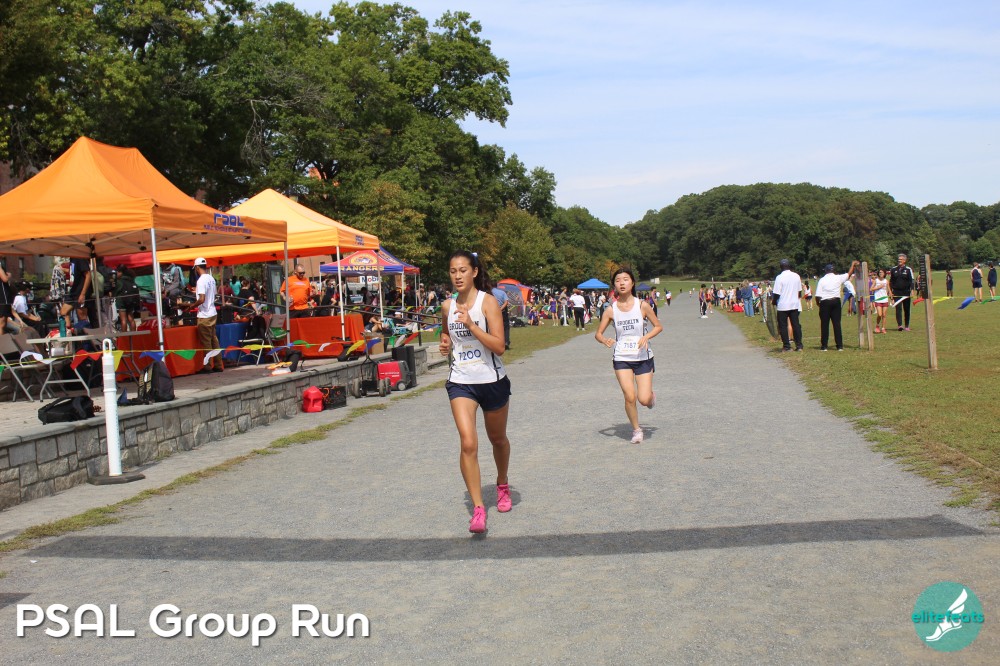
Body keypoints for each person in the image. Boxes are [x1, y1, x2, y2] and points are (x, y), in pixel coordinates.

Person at [438, 251, 512, 534]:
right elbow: (446, 333)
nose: (457, 276)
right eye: (453, 271)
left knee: (498, 439)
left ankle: (502, 483)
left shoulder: (488, 302)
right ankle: (478, 508)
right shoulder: (447, 306)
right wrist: (445, 343)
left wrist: (470, 324)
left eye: (463, 270)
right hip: (461, 381)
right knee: (468, 443)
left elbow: (499, 346)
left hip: (492, 379)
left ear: (474, 272)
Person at [595, 266, 663, 444]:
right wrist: (604, 340)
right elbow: (598, 334)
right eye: (618, 281)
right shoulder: (611, 310)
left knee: (643, 399)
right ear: (614, 286)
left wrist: (646, 337)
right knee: (629, 396)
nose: (622, 283)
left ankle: (650, 398)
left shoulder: (642, 305)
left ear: (632, 283)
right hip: (622, 358)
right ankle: (636, 430)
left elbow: (658, 326)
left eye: (625, 279)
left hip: (642, 357)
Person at [815, 261, 859, 351]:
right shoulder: (838, 278)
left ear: (825, 271)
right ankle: (839, 346)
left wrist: (818, 303)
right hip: (836, 302)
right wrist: (852, 265)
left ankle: (824, 346)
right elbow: (849, 274)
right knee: (837, 324)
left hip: (825, 302)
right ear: (833, 270)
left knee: (824, 324)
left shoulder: (822, 280)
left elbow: (818, 295)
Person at [191, 257, 223, 374]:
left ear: (197, 268)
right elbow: (213, 295)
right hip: (212, 312)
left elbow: (202, 299)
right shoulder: (211, 278)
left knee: (206, 341)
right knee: (214, 339)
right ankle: (218, 364)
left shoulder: (200, 281)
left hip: (204, 314)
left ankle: (208, 366)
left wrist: (191, 306)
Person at [773, 259, 803, 351]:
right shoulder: (796, 276)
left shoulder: (779, 277)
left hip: (783, 305)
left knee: (783, 326)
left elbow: (776, 293)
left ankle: (786, 346)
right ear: (789, 266)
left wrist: (774, 301)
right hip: (794, 304)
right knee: (796, 325)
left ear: (781, 267)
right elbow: (799, 292)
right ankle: (799, 345)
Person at [888, 253, 915, 330]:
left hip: (906, 292)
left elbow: (912, 281)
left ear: (904, 261)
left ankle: (907, 325)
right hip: (896, 292)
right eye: (898, 259)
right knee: (898, 308)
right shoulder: (893, 269)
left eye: (901, 259)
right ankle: (900, 325)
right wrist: (890, 292)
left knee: (907, 309)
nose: (899, 261)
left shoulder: (908, 269)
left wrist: (912, 290)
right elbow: (891, 281)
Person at [114, 265, 141, 331]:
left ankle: (124, 336)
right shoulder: (131, 280)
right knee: (131, 319)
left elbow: (116, 291)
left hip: (121, 302)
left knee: (123, 320)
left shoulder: (119, 281)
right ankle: (134, 334)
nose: (116, 274)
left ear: (121, 272)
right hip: (130, 301)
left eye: (117, 272)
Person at [490, 282, 511, 348]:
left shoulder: (489, 293)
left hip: (493, 311)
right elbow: (506, 302)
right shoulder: (502, 292)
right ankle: (506, 341)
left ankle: (496, 342)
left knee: (494, 327)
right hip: (502, 311)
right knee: (506, 327)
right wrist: (501, 308)